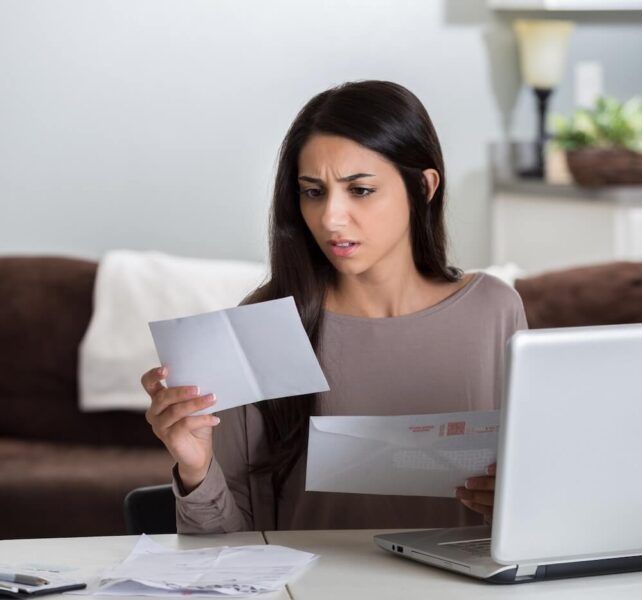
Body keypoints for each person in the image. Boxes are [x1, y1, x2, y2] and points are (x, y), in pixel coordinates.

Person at [140, 80, 527, 533]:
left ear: (424, 187)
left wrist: (521, 501)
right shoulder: (267, 322)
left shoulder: (494, 311)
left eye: (359, 190)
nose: (330, 219)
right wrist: (195, 467)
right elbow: (226, 546)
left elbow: (534, 500)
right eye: (313, 192)